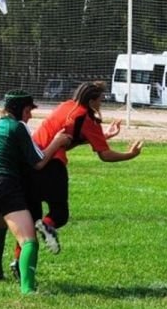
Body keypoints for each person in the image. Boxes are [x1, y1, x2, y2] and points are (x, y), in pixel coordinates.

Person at [10, 80, 143, 278]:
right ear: (91, 101)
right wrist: (129, 155)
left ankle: (18, 261)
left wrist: (104, 135)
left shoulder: (66, 106)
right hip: (52, 165)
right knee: (59, 214)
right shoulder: (87, 118)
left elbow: (70, 136)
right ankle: (47, 227)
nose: (102, 102)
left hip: (30, 162)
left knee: (29, 220)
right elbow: (104, 155)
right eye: (100, 99)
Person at [0, 91, 71, 295]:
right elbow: (39, 162)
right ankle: (27, 289)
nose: (30, 116)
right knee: (29, 240)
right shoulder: (17, 128)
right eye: (28, 110)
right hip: (4, 187)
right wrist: (58, 141)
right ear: (20, 110)